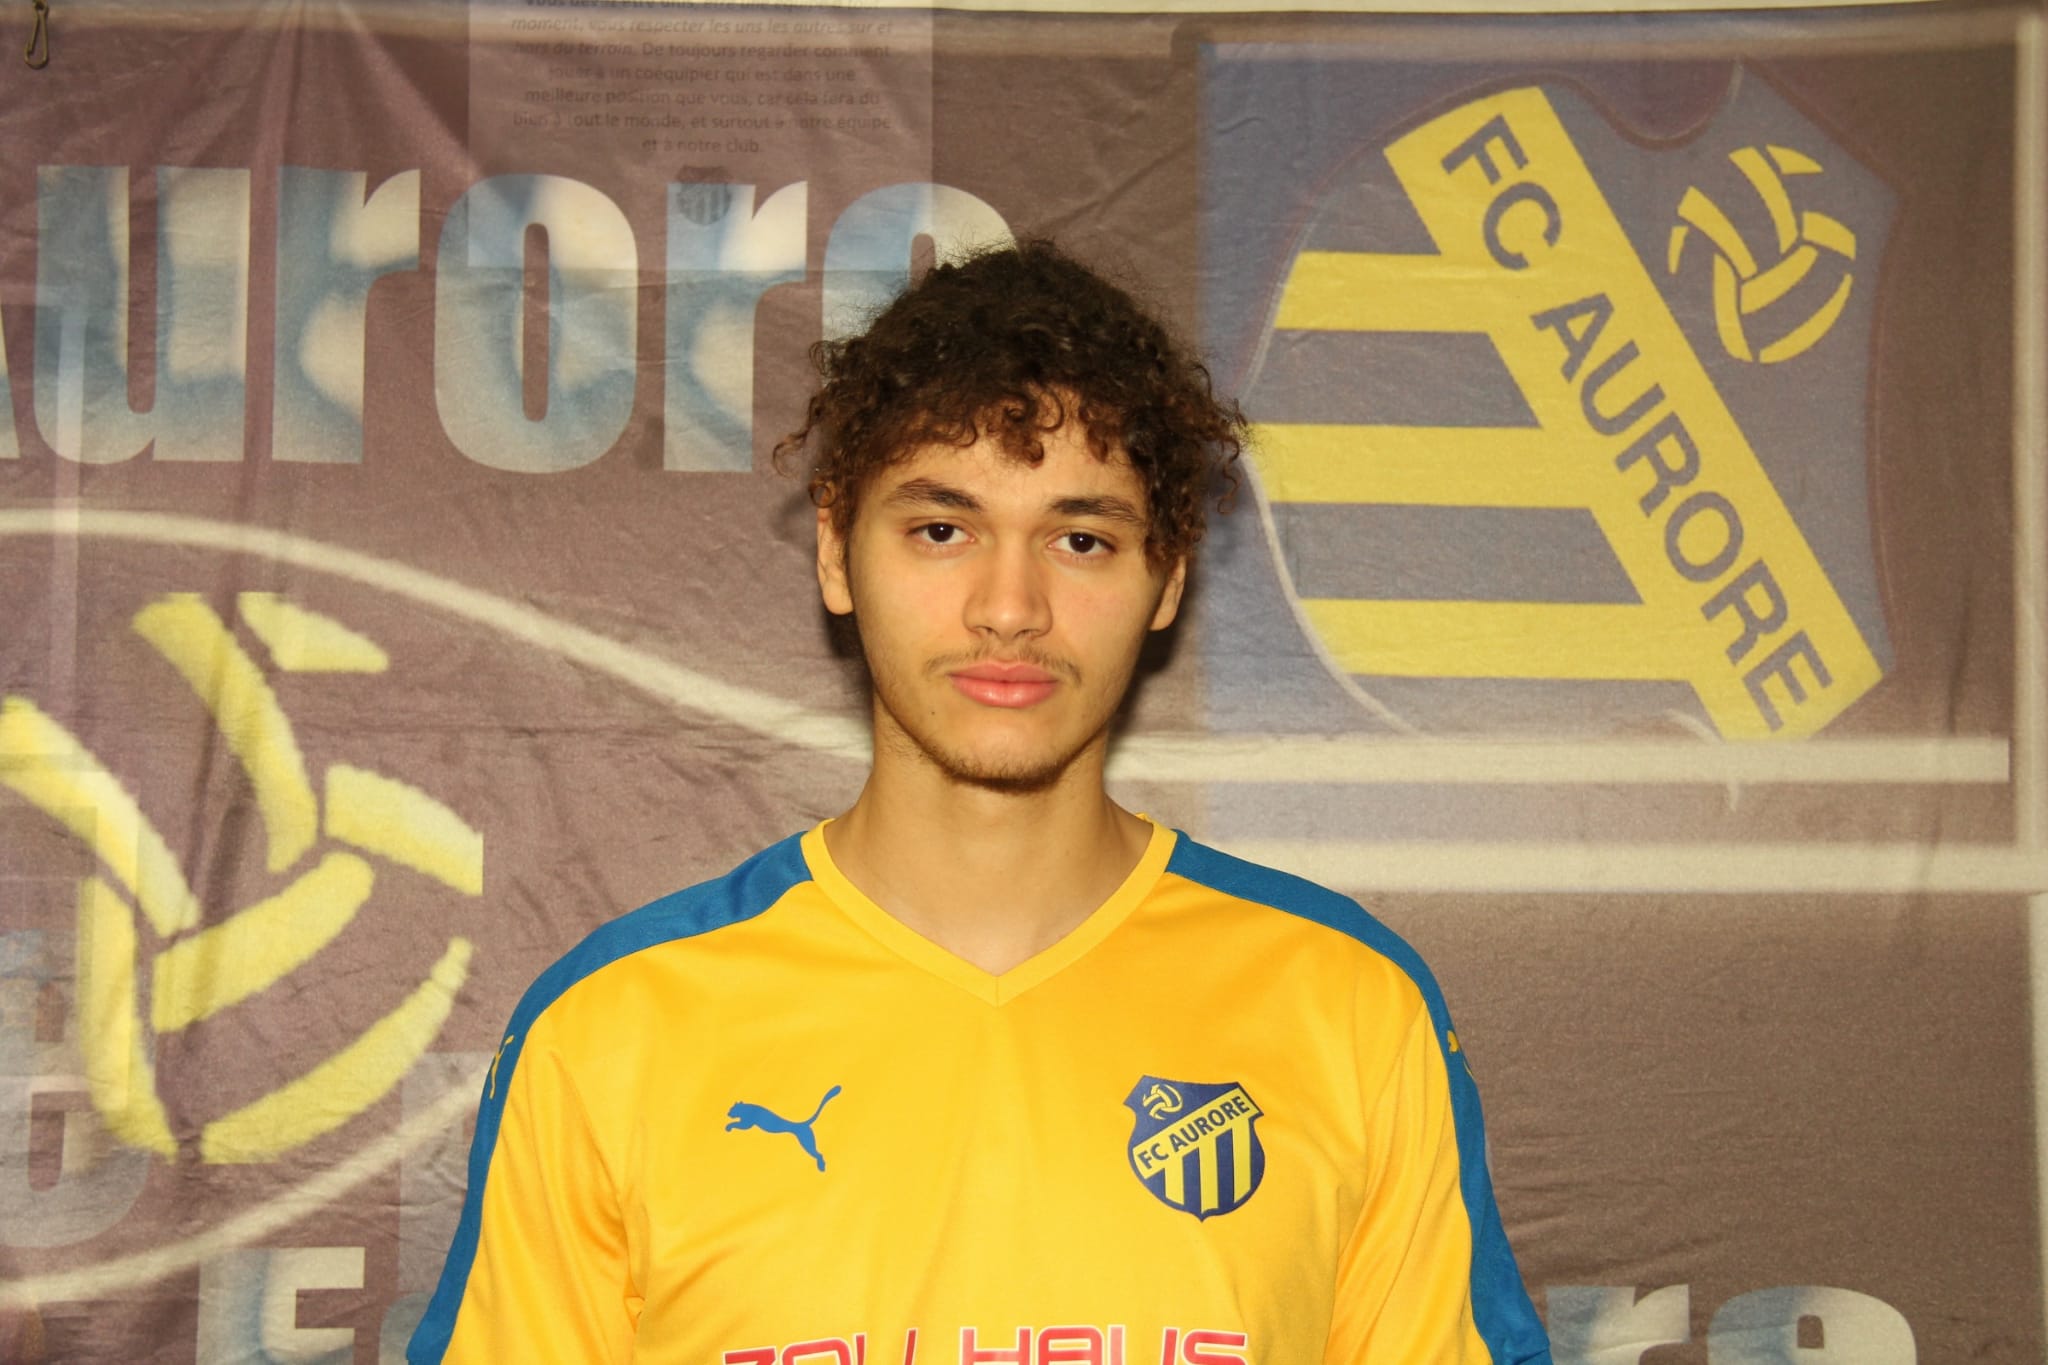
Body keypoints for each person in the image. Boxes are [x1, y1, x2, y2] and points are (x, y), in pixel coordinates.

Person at [407, 240, 1551, 1365]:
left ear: (1165, 576)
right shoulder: (613, 1030)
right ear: (835, 551)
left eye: (1081, 539)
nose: (1009, 607)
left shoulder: (1345, 1008)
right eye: (941, 530)